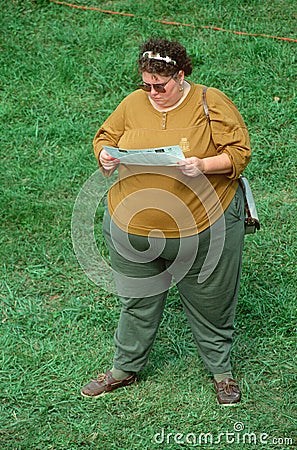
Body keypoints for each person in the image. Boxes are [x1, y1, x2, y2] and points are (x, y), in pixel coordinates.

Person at [81, 37, 251, 405]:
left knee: (212, 300)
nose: (153, 92)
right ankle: (124, 369)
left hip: (205, 226)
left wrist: (203, 165)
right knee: (136, 300)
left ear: (181, 73)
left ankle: (221, 372)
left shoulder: (210, 101)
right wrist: (105, 157)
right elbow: (105, 137)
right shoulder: (131, 103)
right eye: (146, 85)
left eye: (161, 85)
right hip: (133, 227)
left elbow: (239, 152)